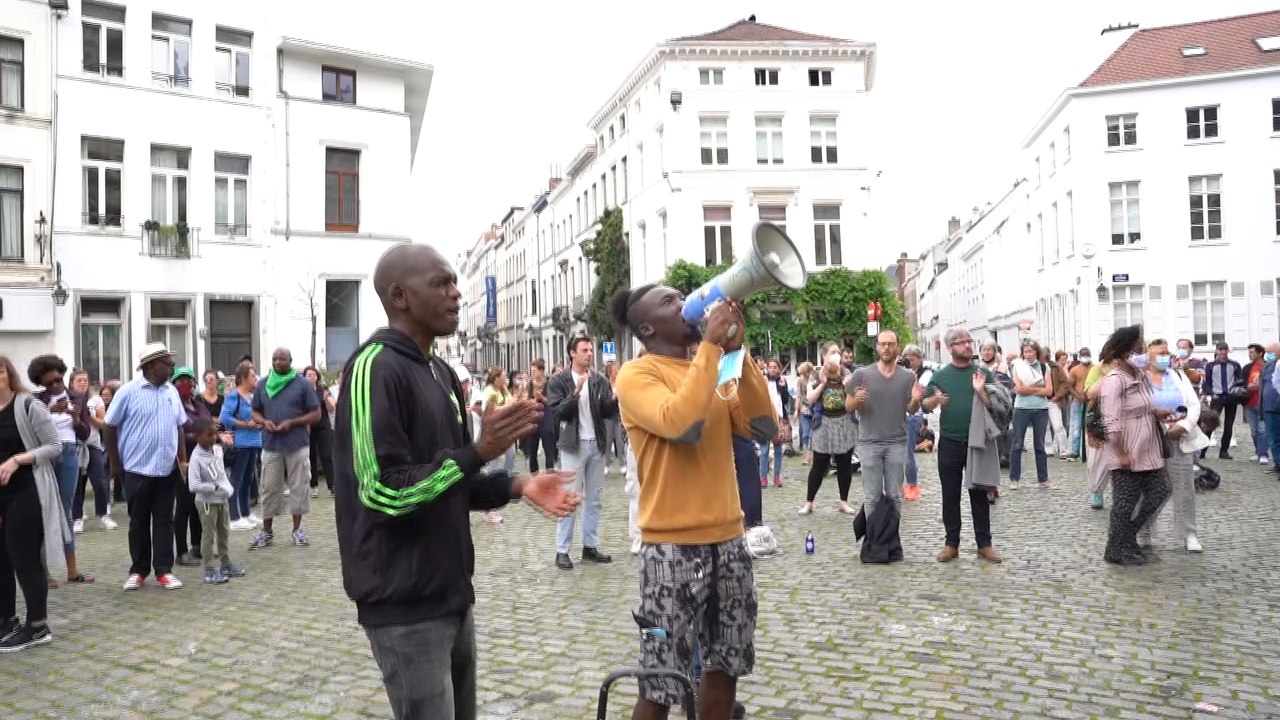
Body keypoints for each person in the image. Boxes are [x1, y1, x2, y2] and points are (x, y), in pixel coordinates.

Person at [333, 243, 578, 720]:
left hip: (450, 589)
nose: (456, 293)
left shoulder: (441, 371)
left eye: (454, 281)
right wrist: (477, 451)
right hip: (403, 603)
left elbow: (451, 480)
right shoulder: (373, 368)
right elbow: (385, 492)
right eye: (441, 283)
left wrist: (514, 486)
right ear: (400, 296)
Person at [610, 283, 776, 720]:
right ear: (647, 327)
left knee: (726, 667)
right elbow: (682, 423)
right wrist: (709, 347)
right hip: (670, 548)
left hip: (729, 539)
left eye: (683, 295)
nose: (685, 304)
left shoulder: (714, 366)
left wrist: (737, 353)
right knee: (661, 682)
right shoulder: (636, 374)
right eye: (670, 301)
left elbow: (762, 427)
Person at [104, 343, 188, 590]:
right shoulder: (128, 392)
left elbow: (180, 426)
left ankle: (164, 570)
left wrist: (182, 461)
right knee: (138, 521)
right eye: (168, 364)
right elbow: (109, 425)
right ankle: (139, 570)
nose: (172, 368)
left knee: (164, 520)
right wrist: (115, 463)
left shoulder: (171, 391)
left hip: (166, 470)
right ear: (152, 366)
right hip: (136, 469)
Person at [0, 356, 68, 652]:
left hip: (28, 491)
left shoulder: (28, 405)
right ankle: (7, 620)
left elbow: (55, 446)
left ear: (8, 374)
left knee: (23, 558)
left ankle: (38, 626)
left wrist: (18, 460)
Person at [921, 328, 1002, 563]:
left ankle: (984, 544)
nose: (968, 345)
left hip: (977, 442)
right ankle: (951, 543)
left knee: (979, 494)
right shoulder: (941, 375)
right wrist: (935, 400)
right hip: (950, 442)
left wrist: (981, 392)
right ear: (950, 348)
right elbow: (924, 405)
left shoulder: (983, 373)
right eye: (961, 342)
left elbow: (998, 407)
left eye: (969, 341)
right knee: (950, 495)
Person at [1096, 326, 1171, 565]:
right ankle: (1114, 549)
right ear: (1128, 348)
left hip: (1149, 448)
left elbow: (1144, 404)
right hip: (1127, 450)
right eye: (1139, 342)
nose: (1143, 346)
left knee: (1161, 490)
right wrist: (1121, 453)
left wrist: (1157, 412)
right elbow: (1111, 422)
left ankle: (1126, 538)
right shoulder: (1114, 381)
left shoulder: (1139, 375)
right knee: (1124, 503)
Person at [546, 335, 619, 570]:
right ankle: (562, 550)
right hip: (572, 446)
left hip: (596, 445)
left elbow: (607, 412)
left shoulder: (598, 380)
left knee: (595, 499)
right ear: (572, 353)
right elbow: (559, 413)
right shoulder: (559, 381)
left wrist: (615, 398)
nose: (589, 354)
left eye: (591, 350)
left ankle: (590, 546)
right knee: (569, 498)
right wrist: (576, 392)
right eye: (585, 350)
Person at [28, 355, 94, 585]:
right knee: (44, 509)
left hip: (68, 454)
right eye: (49, 381)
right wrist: (49, 410)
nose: (55, 384)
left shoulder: (77, 397)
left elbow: (85, 434)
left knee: (65, 510)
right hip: (45, 455)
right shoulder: (36, 400)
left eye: (57, 378)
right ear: (40, 381)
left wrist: (75, 418)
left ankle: (72, 570)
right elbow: (31, 429)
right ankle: (43, 571)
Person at [249, 348, 320, 550]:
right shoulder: (263, 384)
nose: (278, 362)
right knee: (269, 487)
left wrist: (293, 422)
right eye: (274, 359)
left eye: (282, 359)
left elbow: (316, 414)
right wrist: (263, 421)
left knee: (299, 486)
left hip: (297, 444)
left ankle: (297, 530)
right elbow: (255, 411)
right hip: (271, 445)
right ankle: (266, 532)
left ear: (291, 360)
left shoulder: (302, 385)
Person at [848, 330, 921, 526]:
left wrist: (915, 399)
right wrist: (857, 400)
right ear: (877, 347)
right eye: (883, 344)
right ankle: (873, 540)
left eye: (891, 343)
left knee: (895, 495)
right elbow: (848, 406)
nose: (887, 347)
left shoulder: (907, 377)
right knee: (872, 497)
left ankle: (891, 539)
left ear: (897, 346)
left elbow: (911, 409)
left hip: (897, 442)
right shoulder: (861, 375)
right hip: (869, 442)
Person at [186, 419, 243, 584]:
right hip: (206, 502)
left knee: (224, 532)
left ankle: (226, 563)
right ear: (197, 437)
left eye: (215, 434)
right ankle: (209, 570)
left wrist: (226, 487)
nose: (213, 438)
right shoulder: (196, 458)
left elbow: (222, 473)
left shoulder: (218, 450)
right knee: (208, 536)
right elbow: (193, 485)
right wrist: (214, 487)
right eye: (209, 435)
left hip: (222, 499)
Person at [172, 366, 208, 567]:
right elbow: (174, 433)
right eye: (180, 381)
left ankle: (196, 546)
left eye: (188, 380)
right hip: (182, 463)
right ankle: (181, 552)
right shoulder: (175, 406)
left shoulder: (199, 405)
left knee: (198, 506)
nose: (185, 384)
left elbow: (207, 425)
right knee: (184, 507)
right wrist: (194, 436)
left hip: (202, 461)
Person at [220, 365, 263, 529]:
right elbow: (225, 417)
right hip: (241, 443)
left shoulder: (251, 397)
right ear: (244, 378)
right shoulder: (234, 396)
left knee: (249, 478)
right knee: (236, 479)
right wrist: (245, 425)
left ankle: (246, 513)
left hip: (254, 442)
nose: (256, 380)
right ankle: (234, 517)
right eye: (253, 376)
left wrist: (259, 423)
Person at [1008, 340, 1054, 490]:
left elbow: (1049, 391)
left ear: (1036, 352)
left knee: (1039, 445)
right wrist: (1037, 388)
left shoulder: (1044, 367)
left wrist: (1030, 388)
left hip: (1041, 409)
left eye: (1031, 351)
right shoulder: (1018, 366)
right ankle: (1014, 479)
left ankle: (1043, 478)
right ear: (1023, 353)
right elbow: (1019, 389)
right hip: (1022, 408)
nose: (1029, 354)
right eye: (1026, 351)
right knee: (1017, 444)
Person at [1200, 342, 1242, 460]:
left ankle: (1224, 451)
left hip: (1230, 397)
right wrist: (1212, 394)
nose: (1223, 352)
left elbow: (1240, 381)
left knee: (1229, 425)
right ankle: (1203, 451)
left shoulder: (1235, 365)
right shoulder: (1210, 366)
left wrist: (1237, 393)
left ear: (1228, 350)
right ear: (1217, 351)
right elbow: (1206, 383)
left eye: (1225, 349)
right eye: (1221, 349)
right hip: (1217, 397)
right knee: (1210, 424)